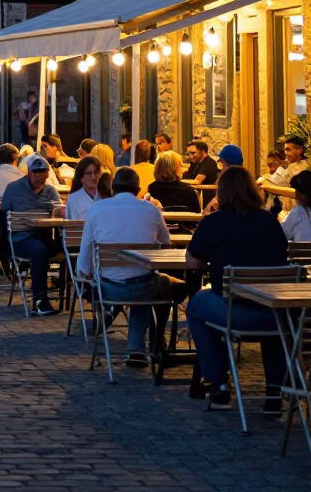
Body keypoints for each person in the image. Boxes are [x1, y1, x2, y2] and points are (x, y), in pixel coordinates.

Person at [185, 166, 289, 411]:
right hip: (275, 313)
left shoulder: (213, 222)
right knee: (272, 313)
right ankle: (274, 389)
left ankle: (219, 380)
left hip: (234, 312)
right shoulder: (270, 221)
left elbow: (192, 262)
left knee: (196, 304)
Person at [78, 167, 186, 367]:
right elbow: (166, 242)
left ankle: (137, 347)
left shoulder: (97, 209)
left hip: (108, 287)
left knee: (143, 287)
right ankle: (154, 341)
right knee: (167, 286)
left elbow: (86, 250)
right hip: (143, 286)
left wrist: (85, 274)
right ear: (137, 188)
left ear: (113, 187)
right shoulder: (151, 210)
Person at [0, 154, 63, 315]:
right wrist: (3, 252)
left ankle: (76, 292)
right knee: (39, 250)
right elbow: (2, 217)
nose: (40, 184)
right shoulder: (13, 189)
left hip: (45, 237)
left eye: (43, 181)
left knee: (72, 247)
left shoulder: (50, 190)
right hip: (21, 238)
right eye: (37, 180)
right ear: (29, 173)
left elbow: (60, 211)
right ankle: (40, 300)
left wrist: (59, 212)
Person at [257, 134, 309, 213]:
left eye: (288, 150)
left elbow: (276, 183)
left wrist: (264, 183)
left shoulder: (305, 168)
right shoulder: (290, 166)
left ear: (299, 149)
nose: (286, 153)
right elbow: (274, 181)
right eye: (285, 150)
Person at [64, 156, 103, 220]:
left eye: (95, 172)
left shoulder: (108, 196)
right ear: (81, 178)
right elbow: (73, 224)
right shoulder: (73, 199)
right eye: (88, 173)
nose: (93, 177)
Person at [281, 169, 311, 241]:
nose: (295, 194)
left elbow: (282, 234)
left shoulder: (298, 212)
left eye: (296, 190)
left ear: (302, 194)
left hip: (302, 248)